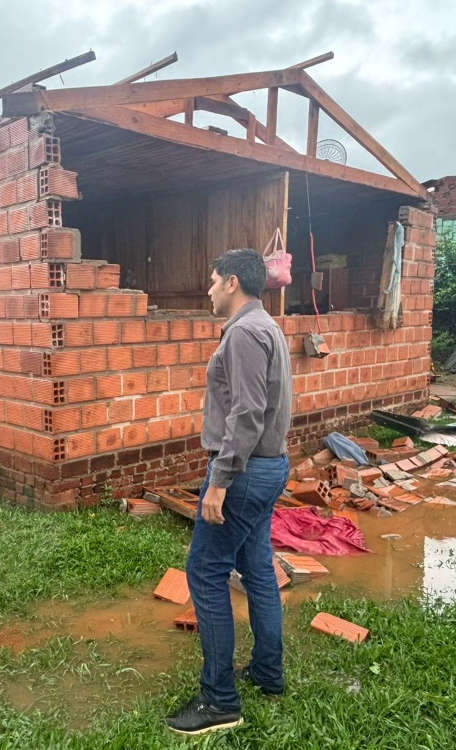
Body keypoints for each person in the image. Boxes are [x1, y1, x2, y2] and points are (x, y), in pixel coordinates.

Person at [166, 249, 292, 736]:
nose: (210, 289)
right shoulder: (268, 326)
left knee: (204, 571)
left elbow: (246, 413)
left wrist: (219, 480)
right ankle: (267, 672)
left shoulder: (242, 333)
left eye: (214, 280)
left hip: (242, 473)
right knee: (258, 568)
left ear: (234, 282)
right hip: (268, 466)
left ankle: (219, 700)